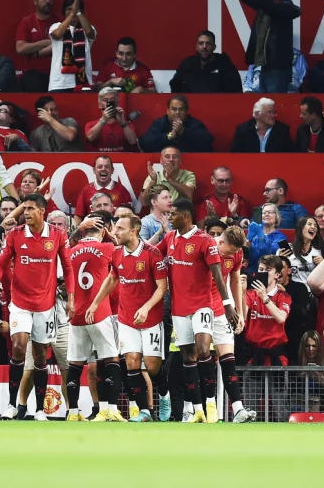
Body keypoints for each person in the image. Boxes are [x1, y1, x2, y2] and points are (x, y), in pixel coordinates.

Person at [0, 193, 73, 420]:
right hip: (20, 303)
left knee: (40, 356)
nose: (25, 213)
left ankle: (39, 410)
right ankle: (12, 404)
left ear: (41, 211)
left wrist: (72, 300)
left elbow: (68, 268)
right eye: (23, 208)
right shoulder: (15, 235)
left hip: (46, 306)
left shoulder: (57, 235)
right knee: (18, 347)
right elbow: (0, 264)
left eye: (29, 209)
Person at [162, 199, 241, 423]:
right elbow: (153, 255)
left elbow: (218, 274)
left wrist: (228, 305)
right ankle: (196, 410)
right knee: (188, 357)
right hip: (179, 308)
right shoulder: (169, 239)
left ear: (185, 216)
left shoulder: (205, 241)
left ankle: (211, 405)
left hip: (202, 305)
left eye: (173, 213)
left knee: (204, 350)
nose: (170, 216)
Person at [88, 212, 168, 421]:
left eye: (120, 228)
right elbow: (112, 277)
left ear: (134, 230)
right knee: (132, 361)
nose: (115, 232)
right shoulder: (116, 253)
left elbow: (162, 288)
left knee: (152, 367)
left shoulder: (152, 253)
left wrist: (147, 307)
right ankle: (144, 411)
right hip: (126, 318)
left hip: (151, 319)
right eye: (115, 228)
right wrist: (95, 303)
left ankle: (164, 392)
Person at [61, 210, 125, 421]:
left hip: (76, 314)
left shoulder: (71, 250)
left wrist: (76, 232)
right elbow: (123, 253)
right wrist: (111, 236)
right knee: (111, 360)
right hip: (100, 312)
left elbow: (61, 253)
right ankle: (111, 409)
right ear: (104, 229)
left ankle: (72, 413)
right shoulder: (107, 248)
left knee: (76, 364)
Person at [225, 0, 301, 93]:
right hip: (264, 65)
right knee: (264, 102)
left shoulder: (286, 8)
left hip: (278, 67)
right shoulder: (264, 6)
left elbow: (270, 8)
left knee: (275, 101)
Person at [169, 31, 243, 94]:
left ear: (214, 47)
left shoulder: (225, 65)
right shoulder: (187, 64)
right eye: (201, 43)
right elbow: (175, 88)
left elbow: (236, 92)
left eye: (208, 43)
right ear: (196, 47)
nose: (204, 47)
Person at [140, 95, 214, 153]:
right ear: (168, 111)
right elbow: (145, 143)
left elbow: (207, 143)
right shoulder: (159, 123)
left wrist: (183, 132)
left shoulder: (195, 124)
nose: (177, 112)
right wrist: (169, 136)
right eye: (174, 109)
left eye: (181, 109)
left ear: (186, 111)